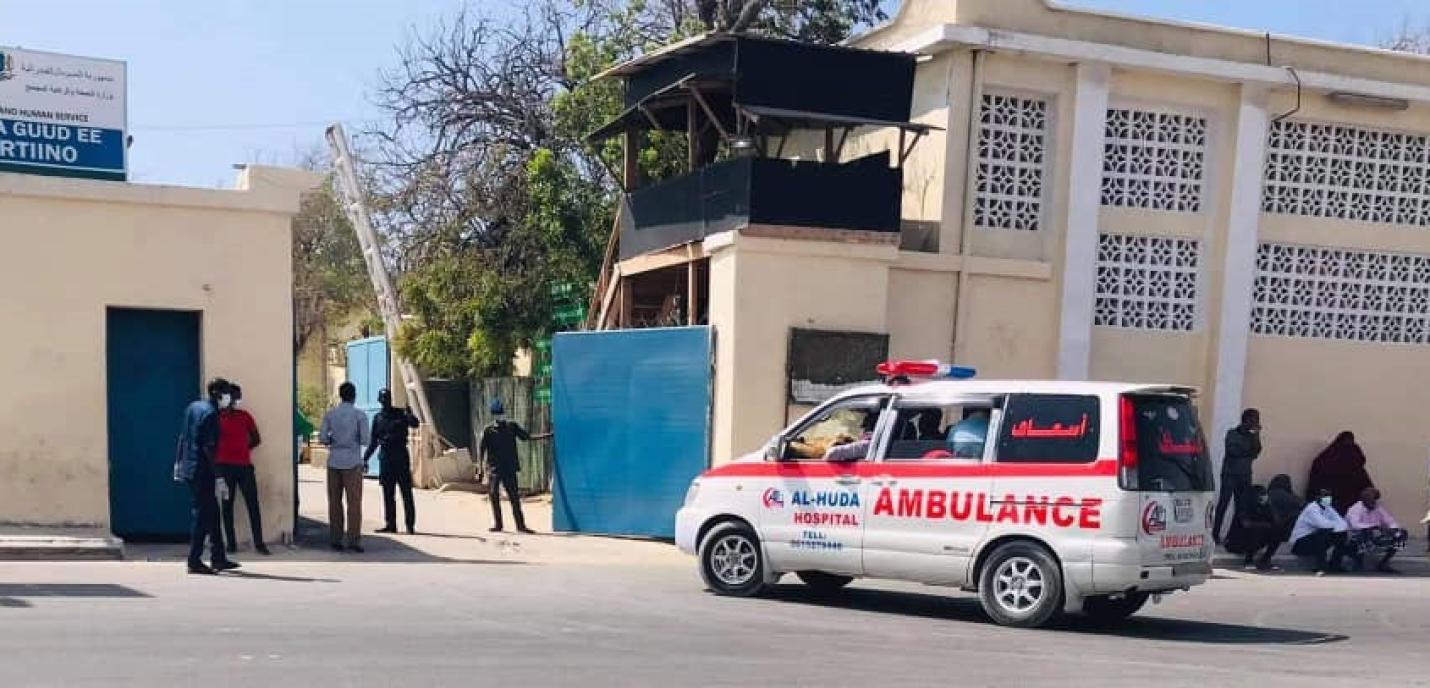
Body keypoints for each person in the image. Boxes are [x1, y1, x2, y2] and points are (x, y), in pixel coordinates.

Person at [173, 378, 241, 575]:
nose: (230, 399)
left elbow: (183, 436)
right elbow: (208, 448)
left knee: (212, 513)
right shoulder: (211, 414)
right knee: (203, 515)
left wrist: (178, 462)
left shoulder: (194, 407)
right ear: (218, 394)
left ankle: (218, 557)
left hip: (190, 467)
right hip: (202, 471)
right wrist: (219, 476)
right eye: (228, 394)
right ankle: (194, 560)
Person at [216, 384, 269, 556]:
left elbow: (256, 438)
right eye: (236, 396)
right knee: (227, 506)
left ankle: (259, 543)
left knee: (253, 505)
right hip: (224, 469)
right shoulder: (217, 417)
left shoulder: (245, 416)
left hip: (244, 468)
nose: (239, 400)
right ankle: (231, 544)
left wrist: (244, 450)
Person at [320, 382, 370, 552]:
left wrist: (333, 440)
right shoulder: (360, 416)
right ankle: (354, 539)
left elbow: (322, 438)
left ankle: (336, 538)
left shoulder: (330, 415)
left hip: (334, 461)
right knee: (354, 503)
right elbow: (365, 440)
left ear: (340, 395)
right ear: (354, 395)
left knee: (335, 502)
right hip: (353, 462)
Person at [365, 388, 420, 535]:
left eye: (387, 399)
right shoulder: (378, 418)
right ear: (380, 401)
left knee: (406, 493)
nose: (385, 402)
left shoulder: (400, 414)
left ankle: (410, 525)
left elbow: (415, 424)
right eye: (383, 399)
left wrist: (409, 414)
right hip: (386, 458)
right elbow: (374, 442)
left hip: (401, 456)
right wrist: (365, 459)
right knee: (388, 494)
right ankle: (391, 524)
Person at [479, 399, 536, 534]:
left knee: (514, 497)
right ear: (493, 415)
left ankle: (520, 526)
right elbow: (482, 449)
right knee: (493, 494)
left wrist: (548, 435)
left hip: (509, 467)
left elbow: (526, 437)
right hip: (494, 468)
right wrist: (480, 468)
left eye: (500, 413)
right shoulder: (488, 430)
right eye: (496, 414)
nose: (499, 416)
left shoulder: (512, 426)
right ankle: (498, 524)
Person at [1214, 409, 1261, 544]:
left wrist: (1256, 435)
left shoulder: (1252, 437)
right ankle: (1215, 534)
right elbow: (1233, 450)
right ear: (1245, 420)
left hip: (1245, 475)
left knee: (1241, 507)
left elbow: (1256, 452)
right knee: (1223, 504)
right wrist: (1248, 451)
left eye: (1257, 420)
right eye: (1253, 420)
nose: (1255, 423)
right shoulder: (1232, 433)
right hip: (1230, 475)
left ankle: (1232, 537)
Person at [1306, 431, 1374, 515]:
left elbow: (1368, 490)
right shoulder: (1353, 464)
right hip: (1336, 510)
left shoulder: (1324, 461)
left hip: (1340, 511)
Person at [1344, 487, 1408, 574]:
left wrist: (1393, 529)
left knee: (1401, 533)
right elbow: (1355, 525)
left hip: (1374, 536)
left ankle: (1383, 563)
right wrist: (1374, 527)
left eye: (1375, 500)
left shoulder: (1377, 507)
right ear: (1365, 500)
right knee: (1364, 532)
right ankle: (1358, 564)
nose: (1374, 502)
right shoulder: (1355, 509)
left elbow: (1390, 520)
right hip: (1355, 538)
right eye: (1372, 500)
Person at [1290, 488, 1352, 576]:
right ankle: (1321, 565)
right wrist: (1334, 525)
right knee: (1323, 533)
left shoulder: (1328, 508)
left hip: (1314, 540)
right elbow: (1322, 524)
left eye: (1328, 496)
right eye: (1324, 496)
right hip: (1300, 543)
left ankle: (1335, 564)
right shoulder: (1312, 508)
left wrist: (1333, 525)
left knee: (1342, 534)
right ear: (1317, 497)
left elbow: (1343, 524)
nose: (1327, 498)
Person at [1224, 485, 1282, 571]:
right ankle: (1248, 560)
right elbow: (1246, 524)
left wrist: (1268, 506)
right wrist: (1265, 525)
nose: (1264, 496)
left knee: (1277, 532)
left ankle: (1265, 560)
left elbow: (1276, 522)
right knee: (1256, 530)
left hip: (1256, 540)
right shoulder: (1245, 506)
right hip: (1238, 542)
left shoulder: (1265, 506)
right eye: (1261, 494)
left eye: (1265, 494)